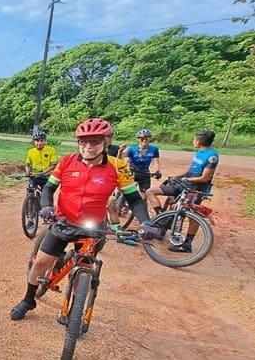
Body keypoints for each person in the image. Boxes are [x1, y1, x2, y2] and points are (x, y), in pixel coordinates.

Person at [10, 118, 160, 321]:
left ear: (105, 142)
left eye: (95, 141)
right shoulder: (67, 161)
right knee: (40, 264)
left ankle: (75, 305)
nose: (88, 147)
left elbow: (134, 199)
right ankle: (28, 299)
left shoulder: (117, 167)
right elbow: (49, 187)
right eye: (83, 141)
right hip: (63, 222)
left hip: (94, 229)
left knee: (85, 271)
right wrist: (46, 207)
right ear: (78, 143)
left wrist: (146, 222)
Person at [145, 130, 219, 253]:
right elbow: (190, 170)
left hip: (195, 189)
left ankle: (187, 244)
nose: (193, 141)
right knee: (151, 192)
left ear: (199, 141)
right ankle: (162, 220)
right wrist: (175, 177)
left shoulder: (212, 156)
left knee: (192, 214)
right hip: (184, 184)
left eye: (194, 139)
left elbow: (205, 178)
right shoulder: (199, 152)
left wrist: (186, 179)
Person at [124, 128, 162, 197]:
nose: (144, 140)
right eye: (142, 138)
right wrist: (126, 172)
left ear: (149, 139)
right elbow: (126, 162)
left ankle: (143, 207)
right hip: (132, 171)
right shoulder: (131, 149)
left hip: (145, 172)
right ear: (138, 139)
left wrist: (157, 171)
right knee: (127, 194)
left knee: (144, 196)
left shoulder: (154, 149)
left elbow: (156, 162)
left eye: (146, 138)